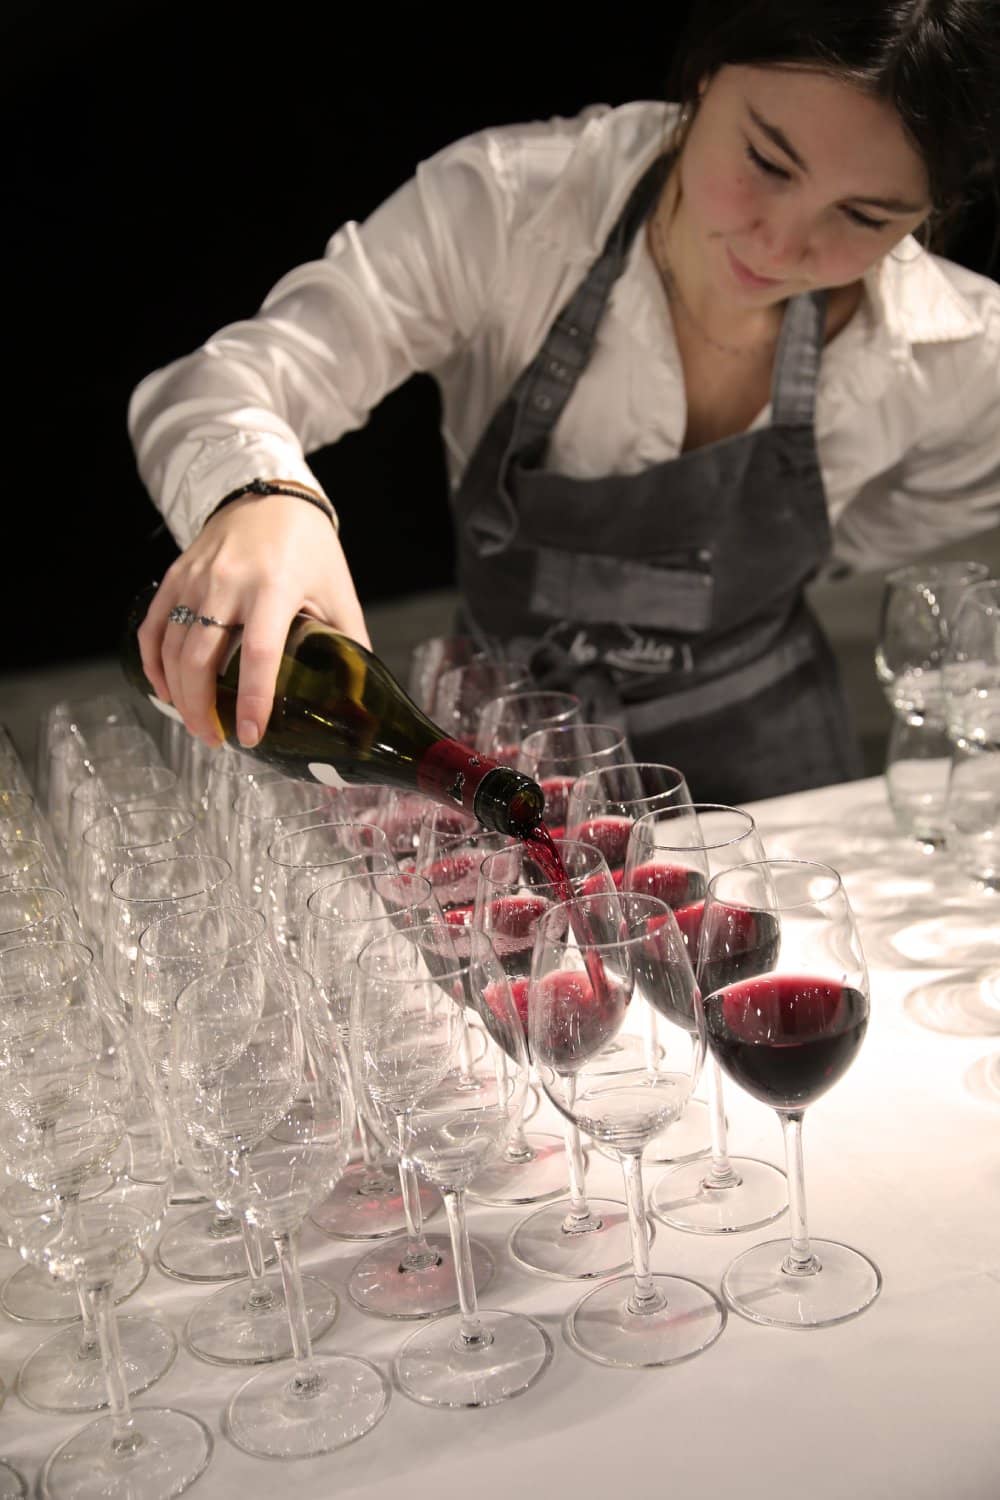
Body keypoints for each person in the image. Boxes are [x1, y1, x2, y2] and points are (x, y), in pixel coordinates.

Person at [129, 0, 1000, 804]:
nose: (782, 243)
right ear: (704, 75)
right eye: (767, 161)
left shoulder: (956, 354)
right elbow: (221, 383)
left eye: (866, 217)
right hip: (507, 751)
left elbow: (896, 520)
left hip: (778, 779)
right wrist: (263, 500)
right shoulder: (508, 209)